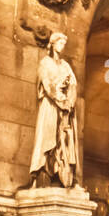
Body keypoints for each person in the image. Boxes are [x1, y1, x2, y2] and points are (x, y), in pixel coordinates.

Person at [29, 33, 79, 188]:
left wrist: (68, 99)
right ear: (53, 44)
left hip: (64, 108)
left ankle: (61, 173)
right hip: (50, 105)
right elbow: (46, 83)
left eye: (64, 43)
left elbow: (73, 84)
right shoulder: (45, 63)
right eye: (60, 42)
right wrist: (58, 94)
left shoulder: (65, 65)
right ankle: (44, 171)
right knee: (47, 137)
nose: (62, 46)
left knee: (64, 139)